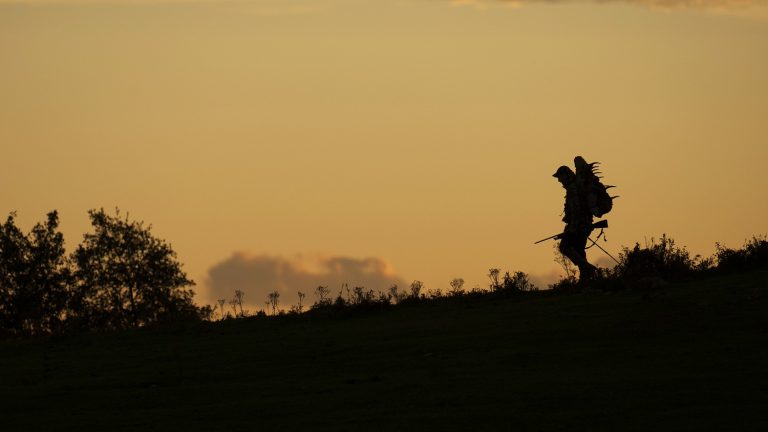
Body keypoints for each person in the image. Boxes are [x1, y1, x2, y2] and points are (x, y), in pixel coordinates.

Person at [553, 164, 598, 282]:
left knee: (565, 247)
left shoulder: (573, 189)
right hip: (584, 224)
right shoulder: (575, 188)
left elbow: (576, 210)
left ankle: (588, 268)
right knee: (578, 250)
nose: (559, 180)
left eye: (560, 177)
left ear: (565, 176)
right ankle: (586, 279)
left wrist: (571, 229)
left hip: (579, 225)